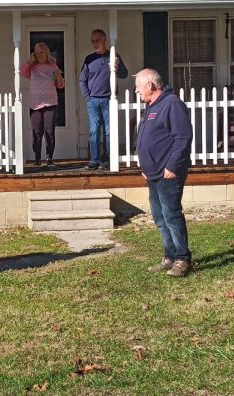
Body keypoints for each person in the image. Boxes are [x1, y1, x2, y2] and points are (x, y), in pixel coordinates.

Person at [134, 69, 193, 277]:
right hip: (153, 173)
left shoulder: (172, 104)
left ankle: (182, 258)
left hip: (169, 172)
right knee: (159, 217)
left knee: (171, 214)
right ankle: (169, 256)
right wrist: (145, 166)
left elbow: (183, 138)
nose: (136, 91)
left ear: (150, 85)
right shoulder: (151, 107)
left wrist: (172, 166)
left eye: (139, 86)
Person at [79, 29, 128, 169]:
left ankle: (107, 159)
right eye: (93, 41)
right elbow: (82, 80)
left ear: (105, 39)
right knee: (94, 130)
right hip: (93, 100)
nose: (95, 43)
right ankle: (95, 160)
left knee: (108, 130)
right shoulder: (89, 59)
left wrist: (117, 68)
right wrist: (88, 97)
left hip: (108, 99)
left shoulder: (113, 56)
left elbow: (124, 74)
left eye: (97, 40)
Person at [20, 42, 65, 168]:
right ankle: (37, 159)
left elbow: (60, 85)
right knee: (36, 132)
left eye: (41, 52)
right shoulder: (32, 67)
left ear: (46, 53)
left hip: (50, 103)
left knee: (49, 131)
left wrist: (58, 76)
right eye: (36, 52)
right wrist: (30, 60)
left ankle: (49, 158)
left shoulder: (52, 66)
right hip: (35, 104)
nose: (39, 55)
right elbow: (22, 72)